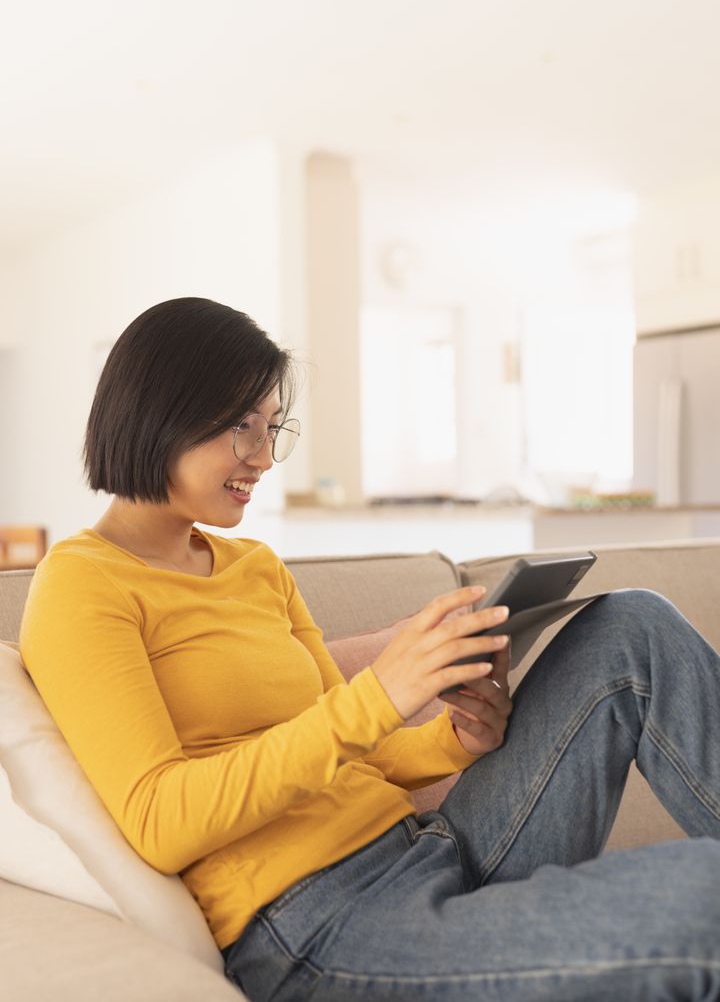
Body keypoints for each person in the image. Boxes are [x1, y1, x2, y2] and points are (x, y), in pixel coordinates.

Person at [20, 296, 720, 1002]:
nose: (262, 458)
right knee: (704, 899)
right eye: (241, 427)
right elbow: (159, 823)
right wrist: (379, 696)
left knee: (632, 628)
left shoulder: (255, 566)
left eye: (272, 429)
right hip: (318, 926)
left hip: (426, 850)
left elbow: (359, 756)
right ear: (159, 412)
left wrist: (458, 739)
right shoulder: (83, 584)